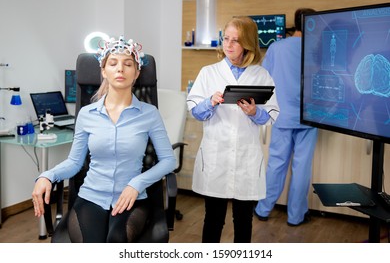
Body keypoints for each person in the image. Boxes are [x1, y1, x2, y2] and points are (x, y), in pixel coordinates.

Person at [31, 36, 176, 242]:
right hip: (91, 197)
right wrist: (47, 176)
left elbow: (169, 160)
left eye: (128, 64)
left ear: (137, 72)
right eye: (113, 63)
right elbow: (74, 162)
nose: (120, 69)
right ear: (103, 71)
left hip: (132, 199)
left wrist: (136, 183)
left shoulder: (149, 113)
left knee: (116, 241)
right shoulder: (87, 114)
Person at [186, 16, 279, 243]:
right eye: (226, 39)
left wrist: (254, 112)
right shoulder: (209, 73)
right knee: (213, 218)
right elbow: (194, 111)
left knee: (244, 219)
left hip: (246, 157)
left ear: (247, 43)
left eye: (235, 40)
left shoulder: (261, 75)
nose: (228, 45)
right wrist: (210, 102)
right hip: (217, 154)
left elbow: (272, 114)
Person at [254, 8, 318, 226]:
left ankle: (263, 209)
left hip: (282, 117)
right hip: (310, 118)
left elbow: (264, 78)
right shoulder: (317, 50)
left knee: (276, 164)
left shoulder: (276, 47)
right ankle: (296, 216)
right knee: (301, 168)